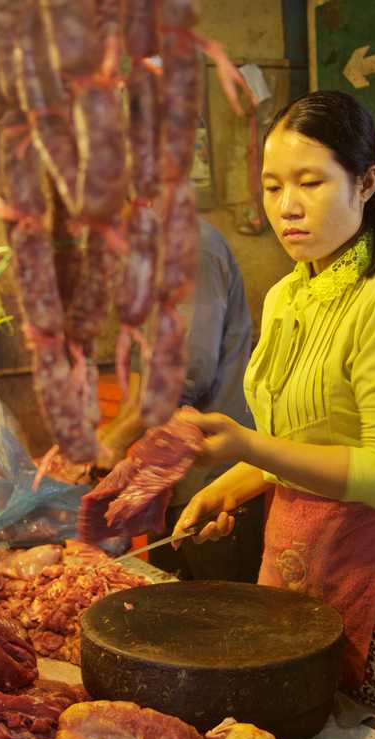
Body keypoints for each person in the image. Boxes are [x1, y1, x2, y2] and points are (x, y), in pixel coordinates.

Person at [172, 90, 375, 717]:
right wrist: (230, 486)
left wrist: (247, 447)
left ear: (366, 182)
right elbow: (294, 441)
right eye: (272, 187)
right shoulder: (285, 298)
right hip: (300, 571)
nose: (287, 207)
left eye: (310, 183)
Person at [98, 217, 265, 583]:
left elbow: (185, 371)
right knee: (173, 608)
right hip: (175, 477)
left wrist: (113, 441)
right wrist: (110, 442)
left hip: (216, 478)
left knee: (222, 620)